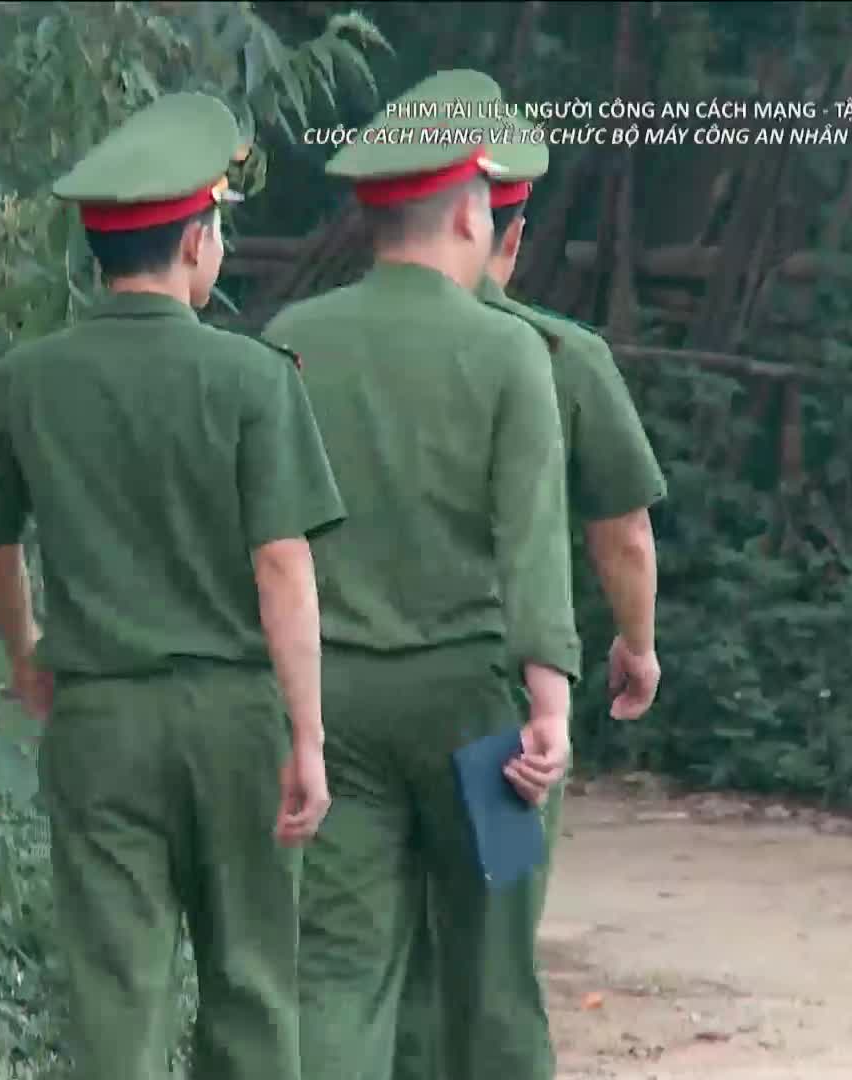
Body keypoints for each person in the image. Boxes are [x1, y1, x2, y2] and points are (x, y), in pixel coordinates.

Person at [0, 92, 347, 1080]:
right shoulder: (254, 380)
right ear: (199, 239)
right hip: (239, 722)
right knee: (252, 979)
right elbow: (283, 563)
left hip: (103, 719)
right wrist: (308, 733)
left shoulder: (27, 381)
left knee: (118, 988)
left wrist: (27, 648)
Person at [264, 70, 580, 1080]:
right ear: (466, 215)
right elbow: (532, 543)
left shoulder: (287, 344)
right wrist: (550, 711)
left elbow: (267, 544)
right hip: (480, 715)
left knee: (337, 974)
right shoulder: (510, 352)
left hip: (335, 708)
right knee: (494, 974)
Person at [388, 91, 670, 1080]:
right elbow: (623, 536)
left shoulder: (335, 342)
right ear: (510, 229)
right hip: (500, 712)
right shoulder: (563, 357)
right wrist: (635, 647)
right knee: (495, 955)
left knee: (385, 958)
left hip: (350, 697)